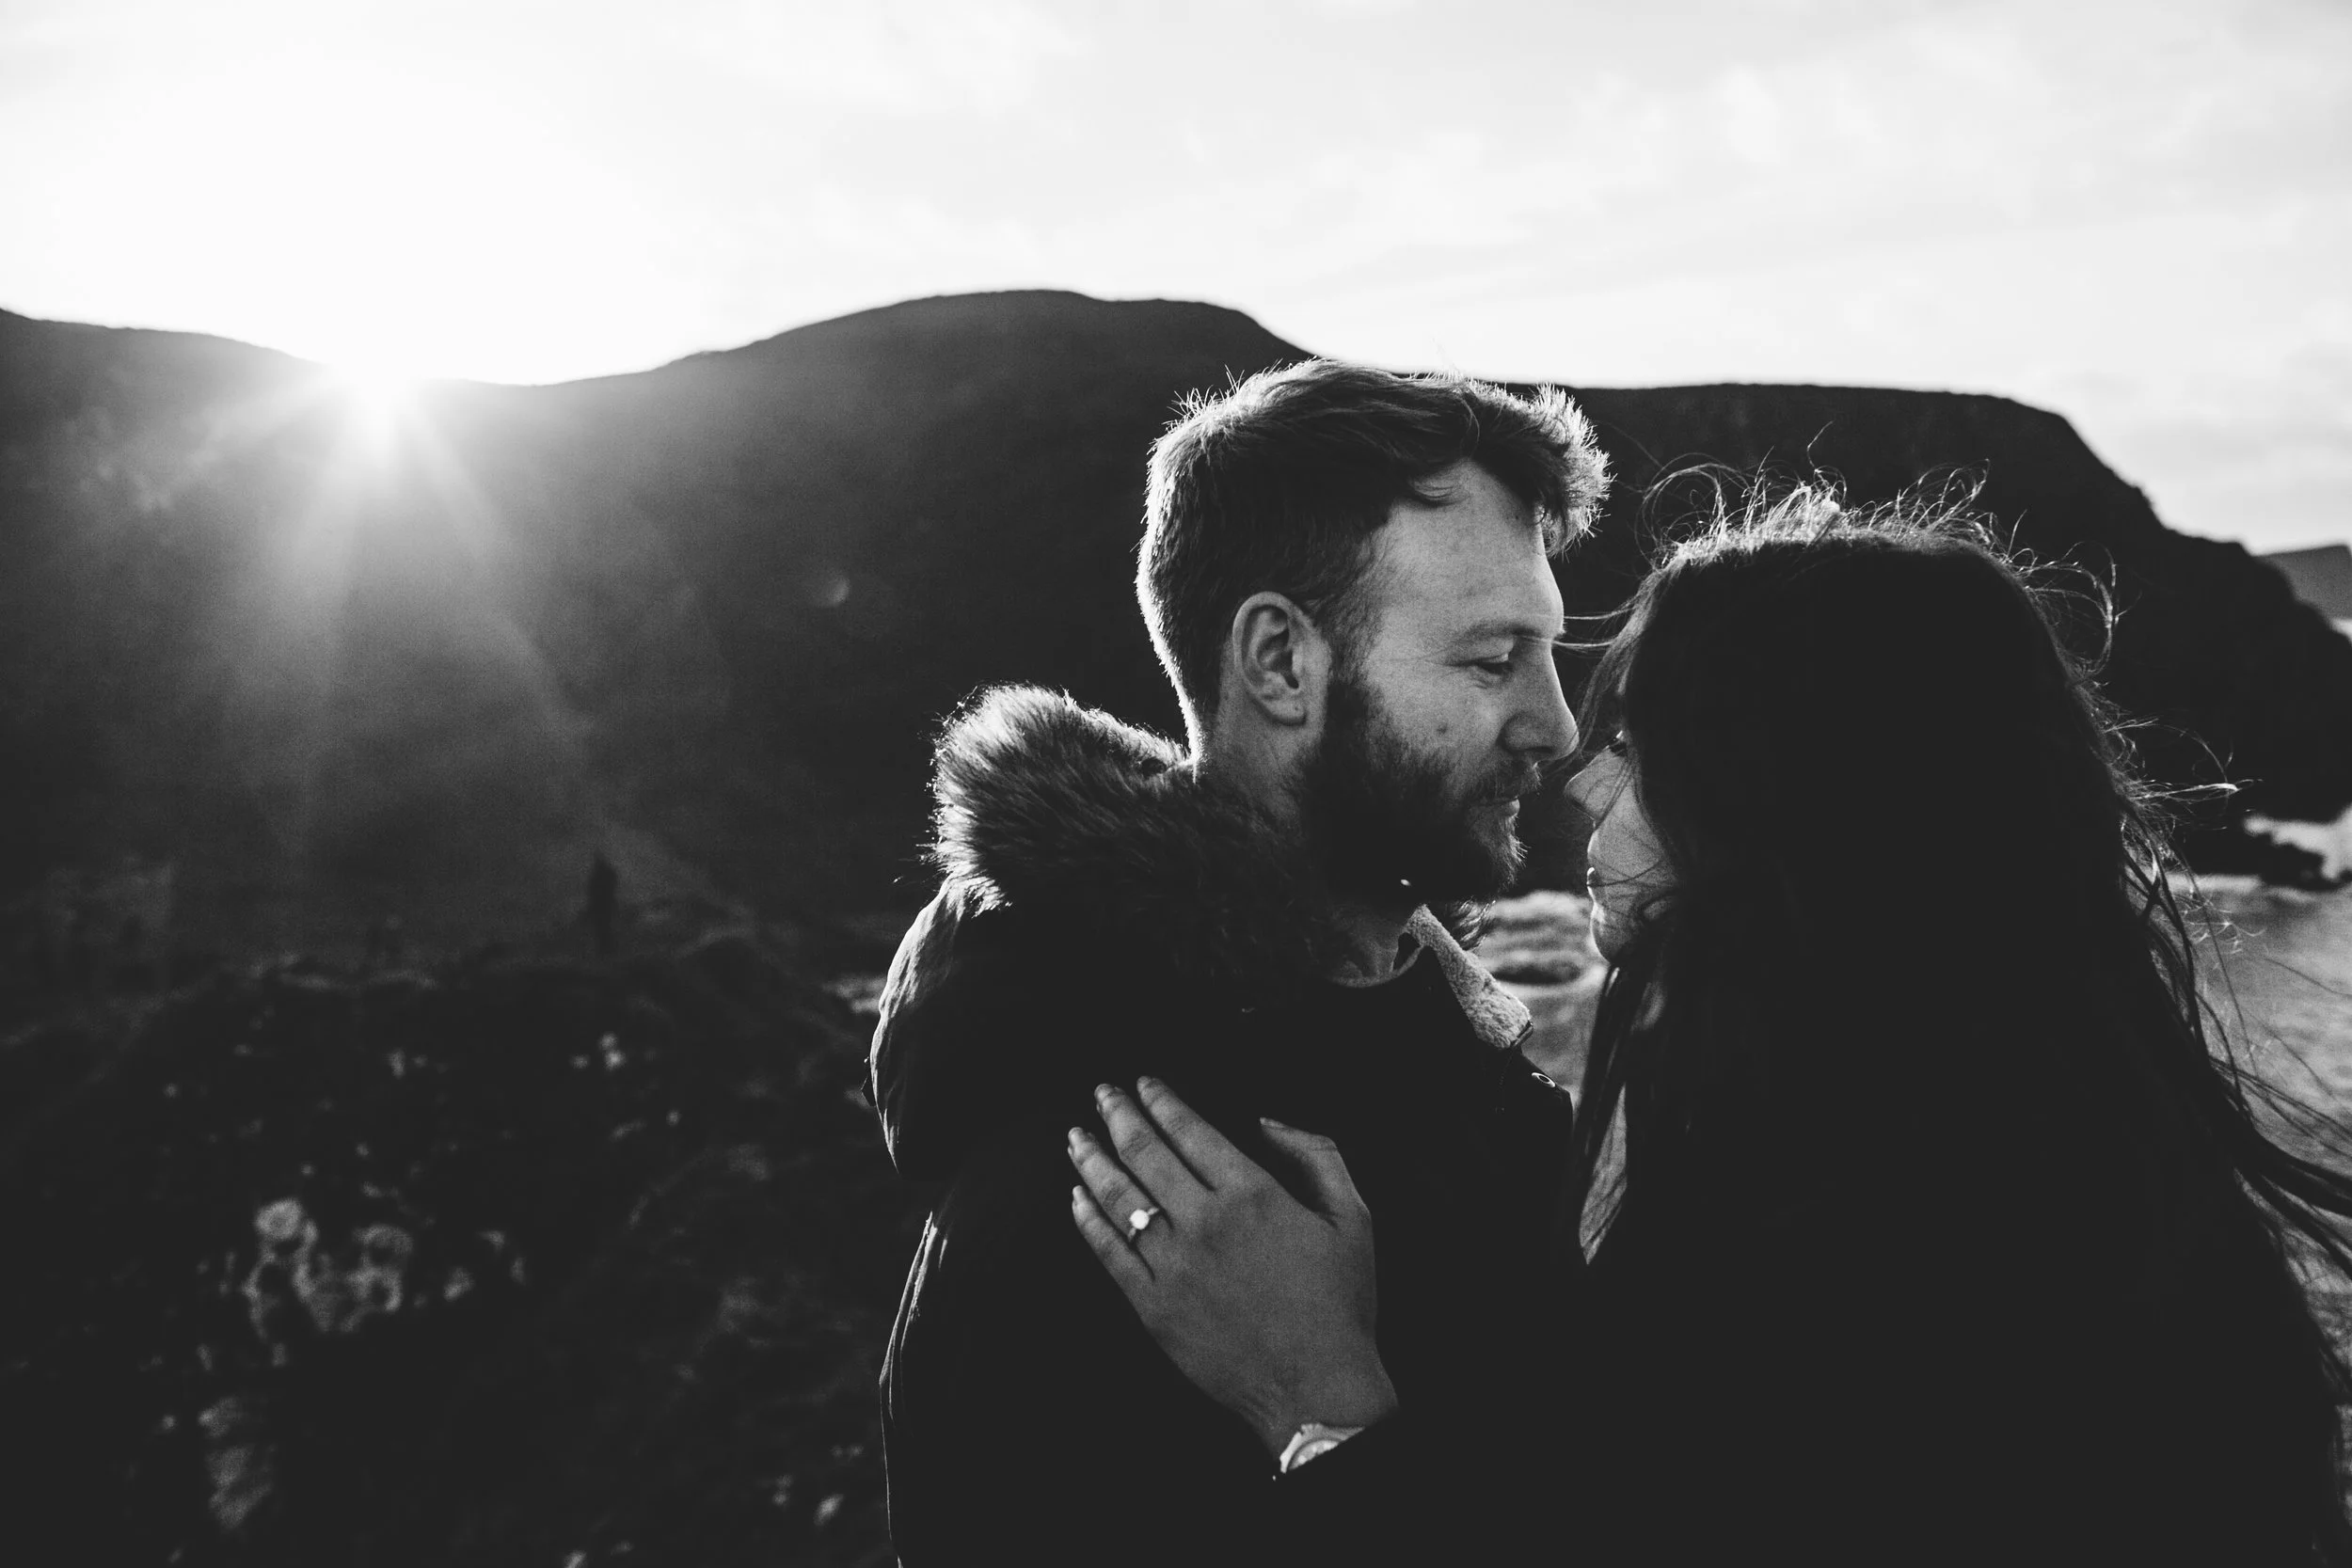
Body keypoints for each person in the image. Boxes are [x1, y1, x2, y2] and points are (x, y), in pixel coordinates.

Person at [1070, 489, 2352, 1565]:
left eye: (1637, 741)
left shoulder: (1890, 1263)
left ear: (1787, 808)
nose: (1578, 766)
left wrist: (1320, 1410)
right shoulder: (2053, 1163)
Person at [866, 360, 1610, 1562]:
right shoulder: (1114, 1181)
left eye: (1547, 651)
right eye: (1490, 659)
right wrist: (1328, 1423)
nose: (1555, 722)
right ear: (1279, 663)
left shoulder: (1439, 1042)